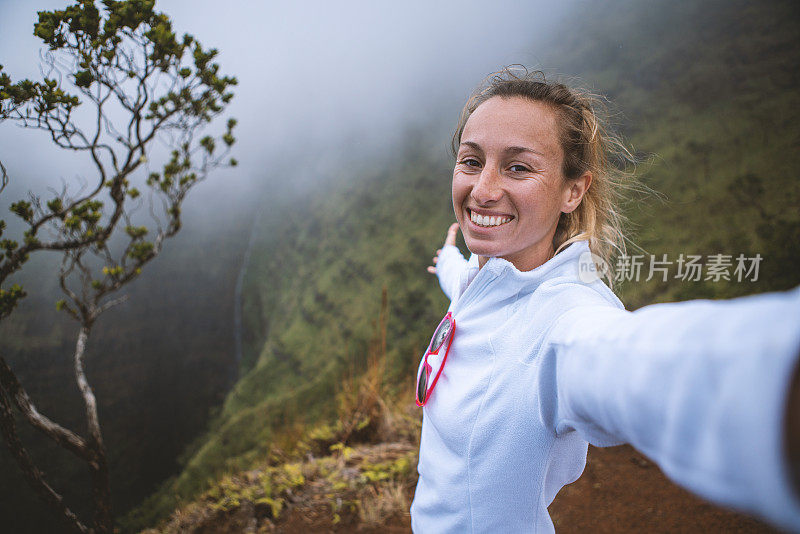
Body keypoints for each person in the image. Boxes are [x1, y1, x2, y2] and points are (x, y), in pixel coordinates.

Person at [409, 66, 800, 533]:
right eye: (472, 161)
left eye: (518, 167)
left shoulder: (565, 319)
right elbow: (463, 283)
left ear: (573, 190)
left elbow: (633, 361)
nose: (482, 190)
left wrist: (774, 376)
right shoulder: (487, 275)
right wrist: (447, 260)